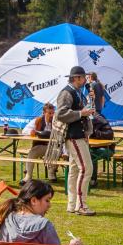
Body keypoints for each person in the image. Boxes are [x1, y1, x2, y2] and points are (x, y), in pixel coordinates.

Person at [46, 65, 97, 216]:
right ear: (76, 78)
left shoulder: (77, 92)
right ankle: (81, 205)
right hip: (74, 136)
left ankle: (72, 204)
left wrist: (90, 102)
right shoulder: (66, 93)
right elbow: (61, 113)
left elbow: (82, 111)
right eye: (83, 77)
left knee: (75, 170)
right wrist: (82, 113)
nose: (85, 80)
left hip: (79, 134)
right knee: (86, 168)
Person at [22, 103, 55, 181]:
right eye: (49, 113)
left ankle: (51, 173)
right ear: (44, 113)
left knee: (55, 150)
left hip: (53, 147)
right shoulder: (38, 120)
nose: (51, 115)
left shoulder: (56, 121)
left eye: (53, 113)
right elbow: (24, 131)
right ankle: (28, 176)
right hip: (40, 146)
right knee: (32, 152)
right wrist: (33, 132)